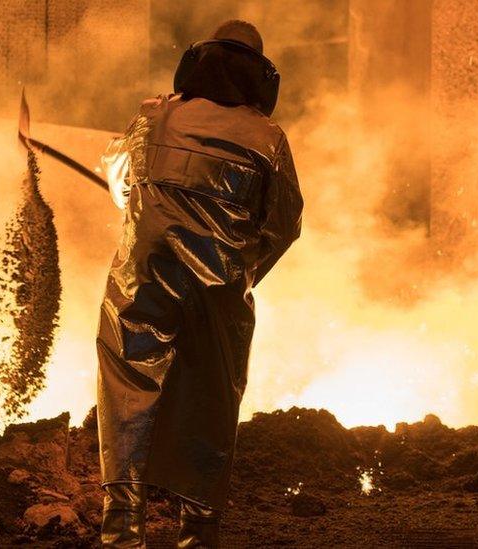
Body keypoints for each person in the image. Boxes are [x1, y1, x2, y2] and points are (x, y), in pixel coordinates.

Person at [96, 20, 304, 548]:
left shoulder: (154, 115)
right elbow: (283, 225)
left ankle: (122, 529)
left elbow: (121, 185)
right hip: (219, 292)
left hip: (142, 281)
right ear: (260, 77)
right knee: (212, 398)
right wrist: (240, 269)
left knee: (128, 388)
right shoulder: (268, 138)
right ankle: (198, 532)